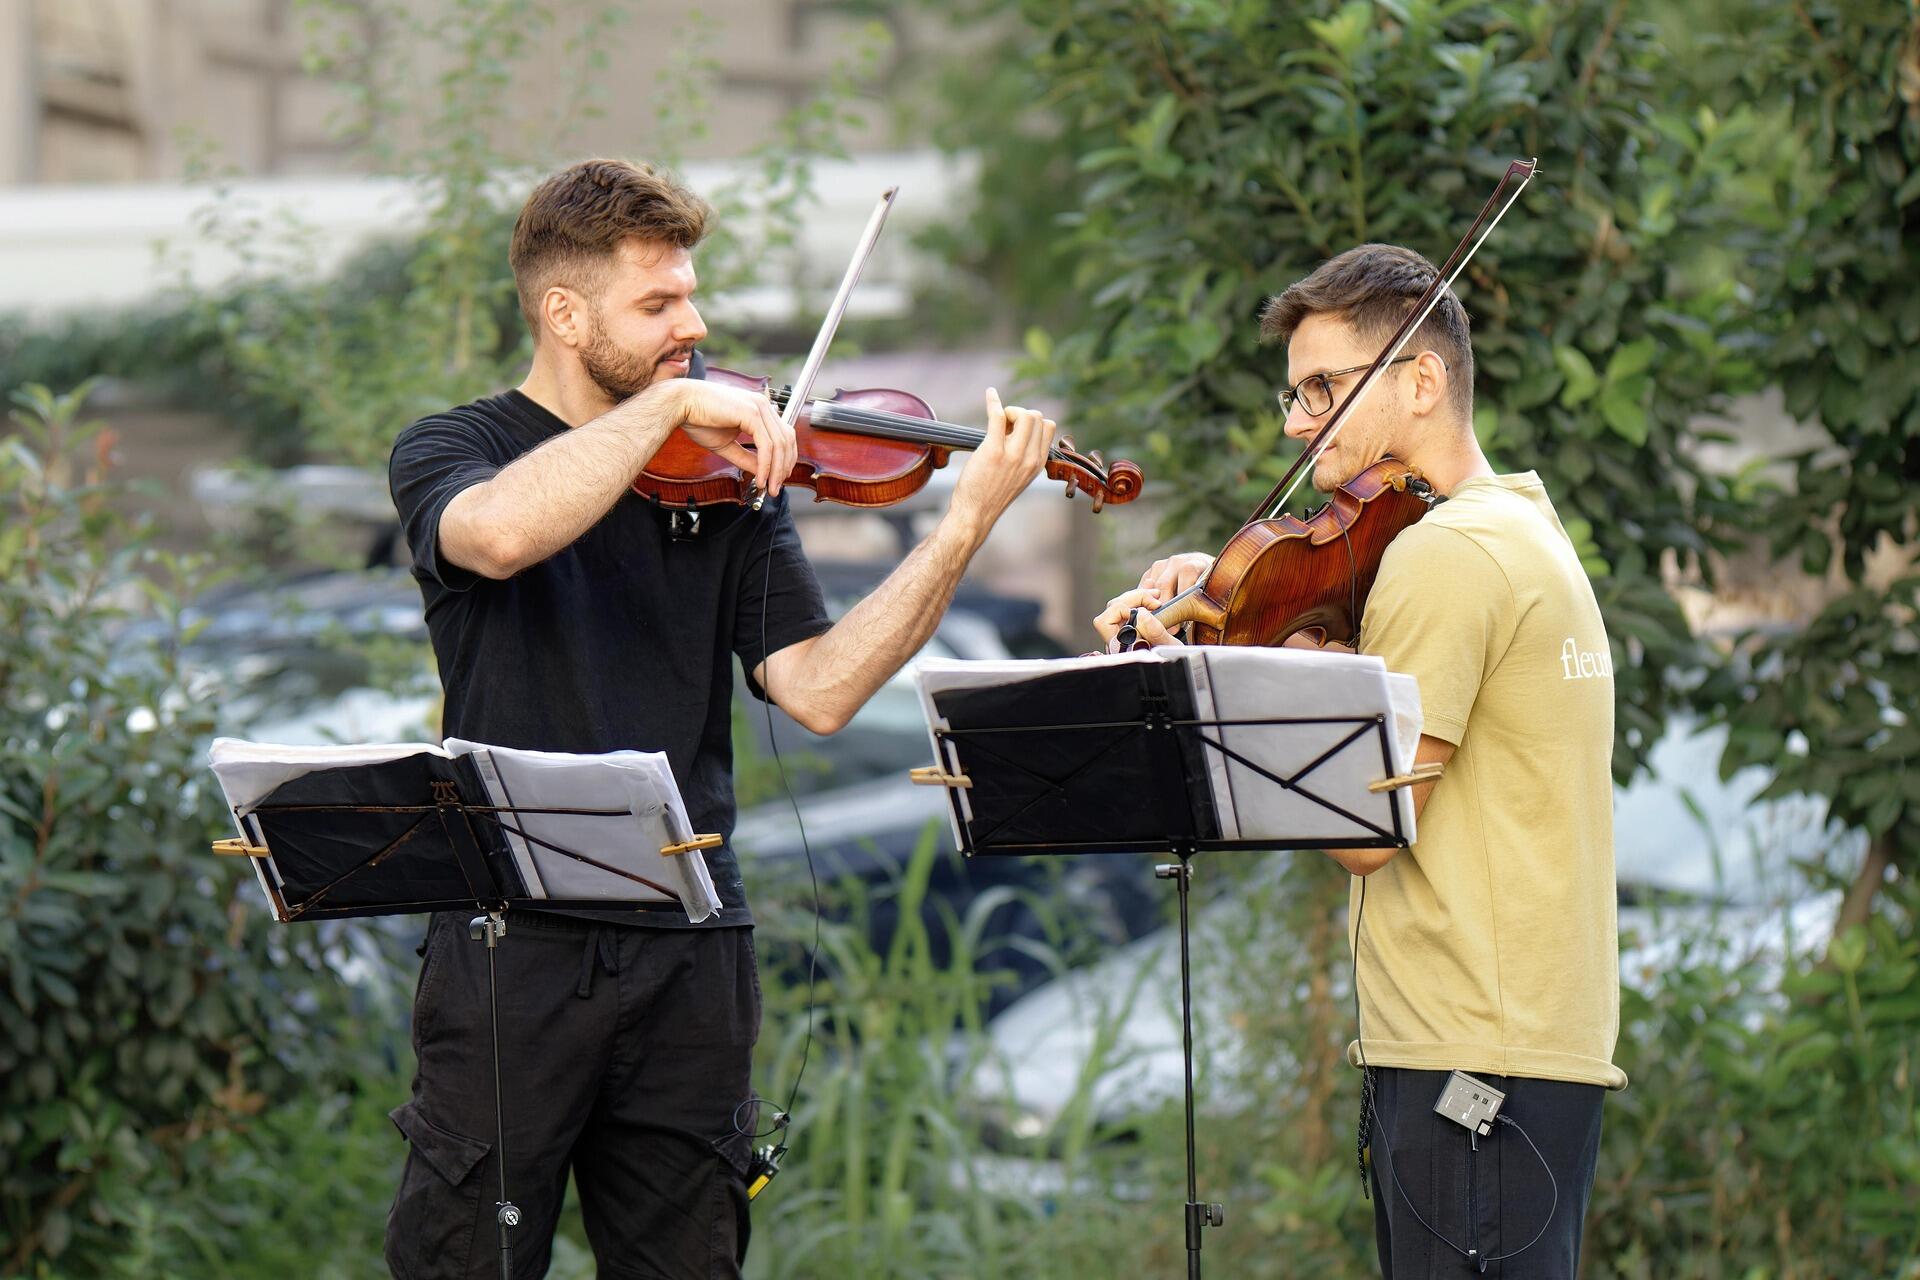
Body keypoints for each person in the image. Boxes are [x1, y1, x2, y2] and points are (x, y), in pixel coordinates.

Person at [384, 158, 1055, 1280]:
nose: (691, 328)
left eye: (690, 296)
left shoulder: (732, 476)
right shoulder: (453, 447)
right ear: (563, 313)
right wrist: (663, 411)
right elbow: (496, 536)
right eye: (656, 305)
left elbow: (823, 686)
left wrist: (962, 528)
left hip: (690, 947)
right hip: (513, 946)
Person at [1092, 244, 1625, 1279]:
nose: (1297, 422)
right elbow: (1374, 640)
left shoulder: (1445, 557)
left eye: (1325, 389)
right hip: (1522, 1046)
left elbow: (1362, 836)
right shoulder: (1517, 526)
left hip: (1471, 1052)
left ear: (1422, 380)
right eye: (1294, 394)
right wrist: (1241, 604)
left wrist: (1222, 674)